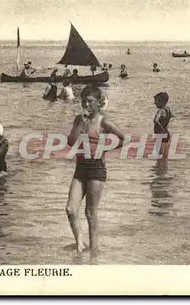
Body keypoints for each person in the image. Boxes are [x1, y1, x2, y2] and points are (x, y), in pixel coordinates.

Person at [66, 85, 125, 253]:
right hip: (80, 169)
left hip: (96, 169)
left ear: (99, 103)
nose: (86, 105)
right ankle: (79, 244)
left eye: (90, 102)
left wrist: (105, 148)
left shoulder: (103, 121)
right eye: (83, 101)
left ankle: (94, 251)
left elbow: (123, 138)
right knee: (70, 209)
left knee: (90, 212)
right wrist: (82, 123)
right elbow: (71, 142)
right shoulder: (79, 120)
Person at [153, 92, 174, 158]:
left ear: (162, 101)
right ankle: (164, 167)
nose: (155, 103)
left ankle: (160, 168)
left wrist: (161, 128)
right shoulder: (168, 109)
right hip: (166, 133)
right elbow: (173, 116)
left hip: (160, 134)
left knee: (159, 156)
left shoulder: (160, 111)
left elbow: (156, 120)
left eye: (156, 101)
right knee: (165, 156)